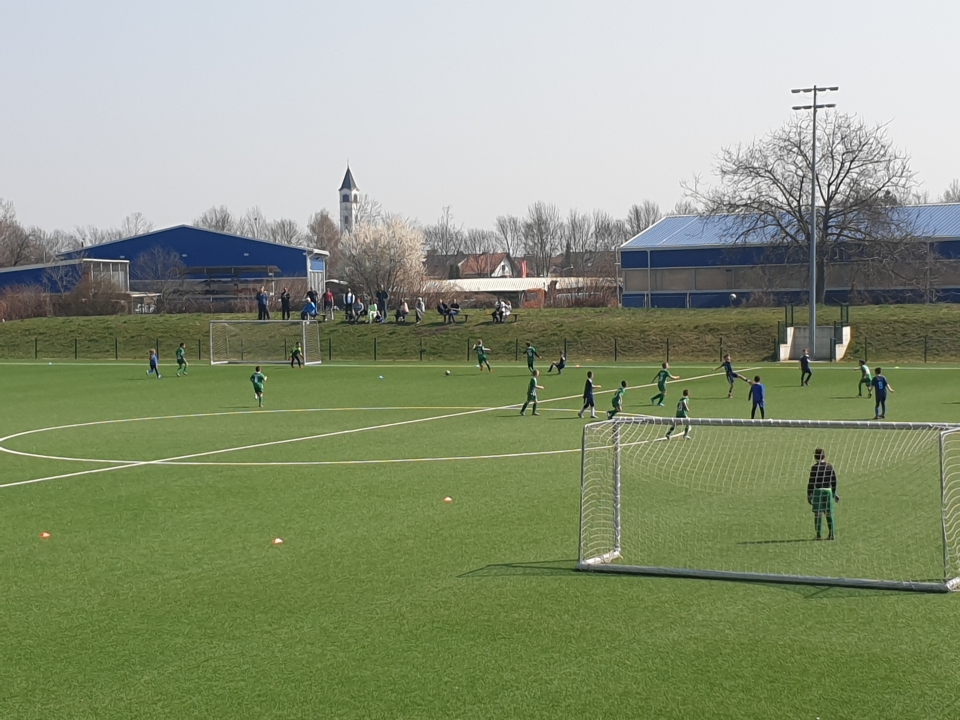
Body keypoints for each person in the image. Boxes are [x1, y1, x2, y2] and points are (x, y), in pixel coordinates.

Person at [807, 448, 839, 541]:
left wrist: (809, 494)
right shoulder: (829, 466)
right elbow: (834, 481)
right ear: (824, 456)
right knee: (829, 514)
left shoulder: (814, 468)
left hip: (818, 491)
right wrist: (834, 493)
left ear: (814, 457)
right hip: (828, 491)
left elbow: (811, 482)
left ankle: (818, 535)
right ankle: (831, 534)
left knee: (818, 514)